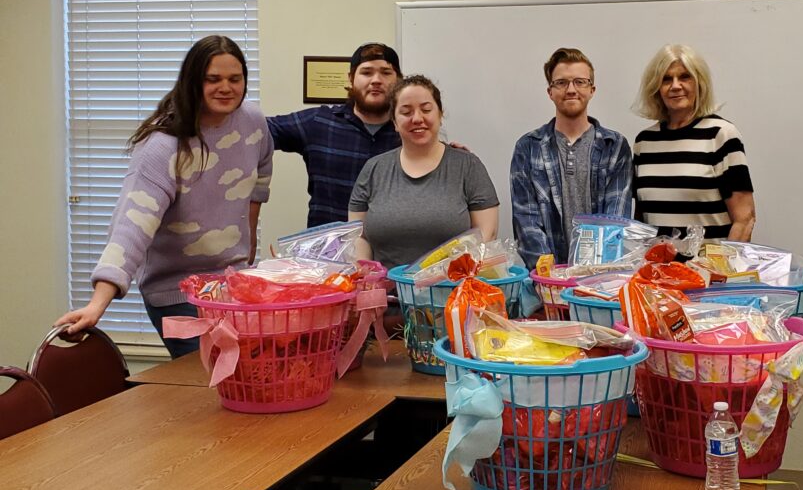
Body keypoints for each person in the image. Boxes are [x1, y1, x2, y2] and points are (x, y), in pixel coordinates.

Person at [55, 36, 273, 357]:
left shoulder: (253, 122)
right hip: (177, 293)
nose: (225, 87)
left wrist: (248, 251)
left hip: (230, 286)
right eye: (213, 79)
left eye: (234, 79)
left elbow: (260, 180)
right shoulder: (163, 146)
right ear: (192, 82)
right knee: (205, 389)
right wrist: (96, 305)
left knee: (245, 381)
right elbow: (132, 226)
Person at [349, 75, 499, 269]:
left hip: (453, 291)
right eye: (406, 112)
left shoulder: (467, 166)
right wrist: (366, 275)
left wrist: (440, 277)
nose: (417, 118)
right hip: (385, 294)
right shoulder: (373, 169)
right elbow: (357, 238)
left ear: (440, 115)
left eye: (426, 109)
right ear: (394, 121)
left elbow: (487, 234)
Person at [510, 48, 633, 270]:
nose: (571, 89)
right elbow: (526, 224)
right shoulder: (527, 147)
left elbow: (615, 223)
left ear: (592, 89)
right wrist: (552, 277)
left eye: (580, 82)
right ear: (550, 91)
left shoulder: (614, 147)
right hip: (546, 284)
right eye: (561, 83)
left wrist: (591, 277)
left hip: (599, 282)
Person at [268, 43, 402, 228]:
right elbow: (258, 131)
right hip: (326, 253)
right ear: (351, 78)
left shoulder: (409, 133)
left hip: (390, 252)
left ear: (399, 81)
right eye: (366, 72)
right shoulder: (319, 123)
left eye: (386, 72)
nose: (376, 80)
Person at [632, 44, 755, 242]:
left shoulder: (721, 135)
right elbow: (641, 221)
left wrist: (722, 270)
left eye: (684, 77)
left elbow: (745, 219)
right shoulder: (644, 142)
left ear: (699, 83)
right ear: (656, 87)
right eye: (666, 79)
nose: (675, 85)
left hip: (709, 271)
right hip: (657, 272)